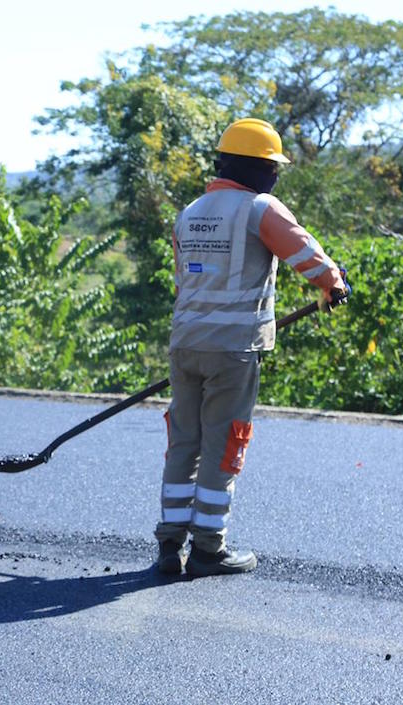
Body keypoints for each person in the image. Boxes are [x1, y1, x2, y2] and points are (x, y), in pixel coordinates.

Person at [155, 118, 351, 577]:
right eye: (273, 168)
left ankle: (169, 543)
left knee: (184, 442)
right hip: (233, 351)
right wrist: (334, 284)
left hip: (185, 345)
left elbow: (186, 281)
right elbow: (304, 253)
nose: (276, 176)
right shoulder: (259, 208)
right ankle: (208, 549)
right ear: (256, 168)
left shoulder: (191, 212)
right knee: (224, 444)